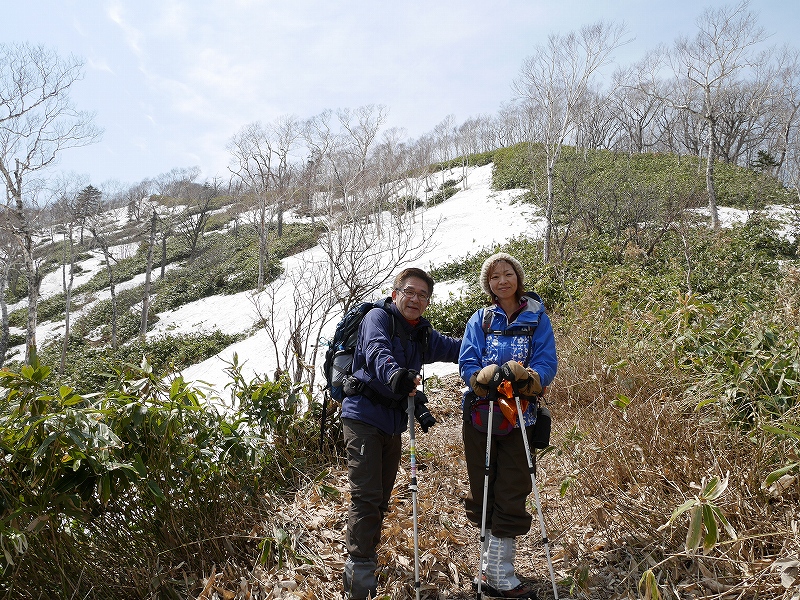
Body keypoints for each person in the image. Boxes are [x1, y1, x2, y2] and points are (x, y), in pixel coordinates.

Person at [341, 267, 461, 600]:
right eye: (410, 291)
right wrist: (395, 375)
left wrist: (492, 346)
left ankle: (365, 555)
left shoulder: (422, 334)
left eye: (424, 295)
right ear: (396, 294)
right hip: (363, 418)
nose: (416, 299)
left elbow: (455, 349)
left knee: (379, 499)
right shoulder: (377, 319)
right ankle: (359, 575)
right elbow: (377, 352)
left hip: (392, 424)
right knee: (366, 496)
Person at [459, 253, 558, 599]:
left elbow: (547, 360)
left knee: (512, 487)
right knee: (484, 487)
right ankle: (491, 572)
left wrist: (530, 379)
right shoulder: (481, 319)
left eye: (508, 273)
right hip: (480, 415)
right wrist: (477, 378)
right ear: (488, 284)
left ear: (518, 277)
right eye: (494, 277)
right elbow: (467, 359)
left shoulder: (536, 317)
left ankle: (500, 572)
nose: (502, 281)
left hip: (521, 415)